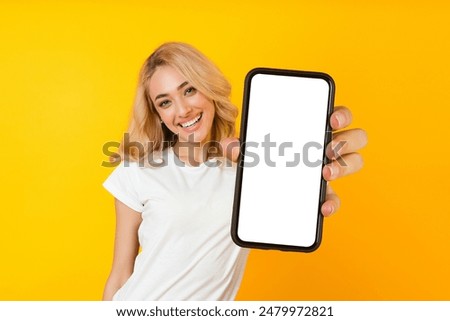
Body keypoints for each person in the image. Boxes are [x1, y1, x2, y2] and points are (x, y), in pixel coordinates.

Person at [102, 42, 368, 300]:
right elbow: (120, 275)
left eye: (189, 90)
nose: (182, 110)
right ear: (157, 114)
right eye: (165, 102)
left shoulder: (249, 170)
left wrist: (311, 183)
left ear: (208, 88)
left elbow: (288, 216)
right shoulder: (138, 170)